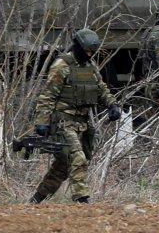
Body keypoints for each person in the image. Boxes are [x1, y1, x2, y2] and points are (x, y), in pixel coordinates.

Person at [29, 28, 122, 203]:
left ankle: (36, 200)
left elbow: (101, 89)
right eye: (86, 51)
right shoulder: (62, 66)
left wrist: (113, 105)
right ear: (78, 47)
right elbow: (48, 96)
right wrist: (42, 122)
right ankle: (82, 200)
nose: (89, 55)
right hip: (63, 121)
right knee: (77, 159)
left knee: (63, 166)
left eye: (92, 52)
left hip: (82, 122)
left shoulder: (90, 67)